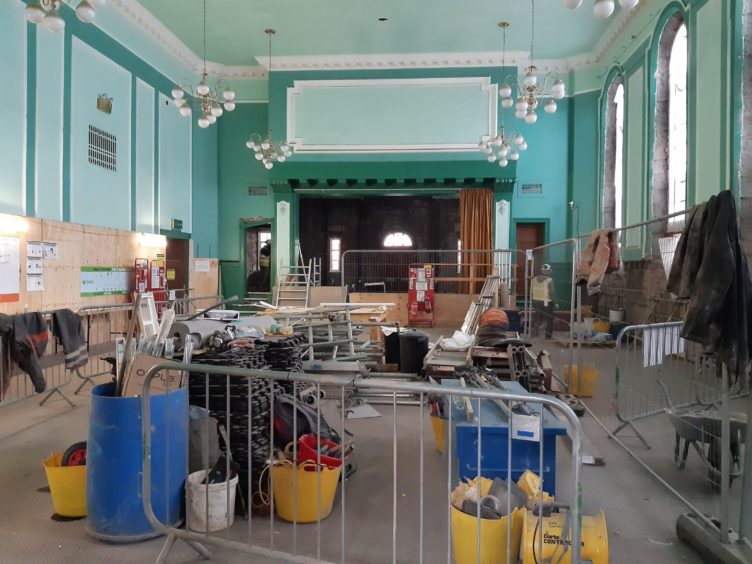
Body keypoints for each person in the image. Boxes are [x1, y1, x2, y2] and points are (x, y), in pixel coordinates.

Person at [531, 264, 556, 339]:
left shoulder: (534, 279)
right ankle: (548, 336)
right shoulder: (549, 280)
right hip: (547, 302)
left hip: (537, 301)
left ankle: (534, 334)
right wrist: (555, 302)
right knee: (549, 319)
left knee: (538, 318)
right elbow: (552, 292)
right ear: (548, 271)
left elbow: (531, 291)